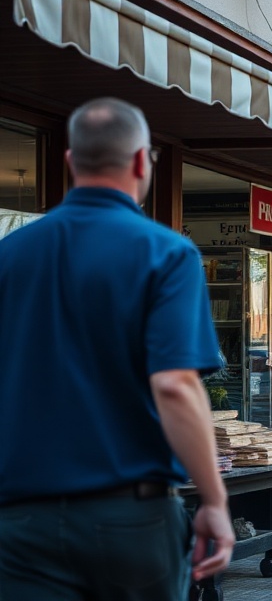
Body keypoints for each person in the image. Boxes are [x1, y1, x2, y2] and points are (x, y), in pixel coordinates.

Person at [0, 98, 235, 601]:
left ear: (69, 163)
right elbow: (175, 385)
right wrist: (213, 499)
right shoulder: (165, 254)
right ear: (140, 161)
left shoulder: (9, 256)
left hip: (20, 519)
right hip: (130, 518)